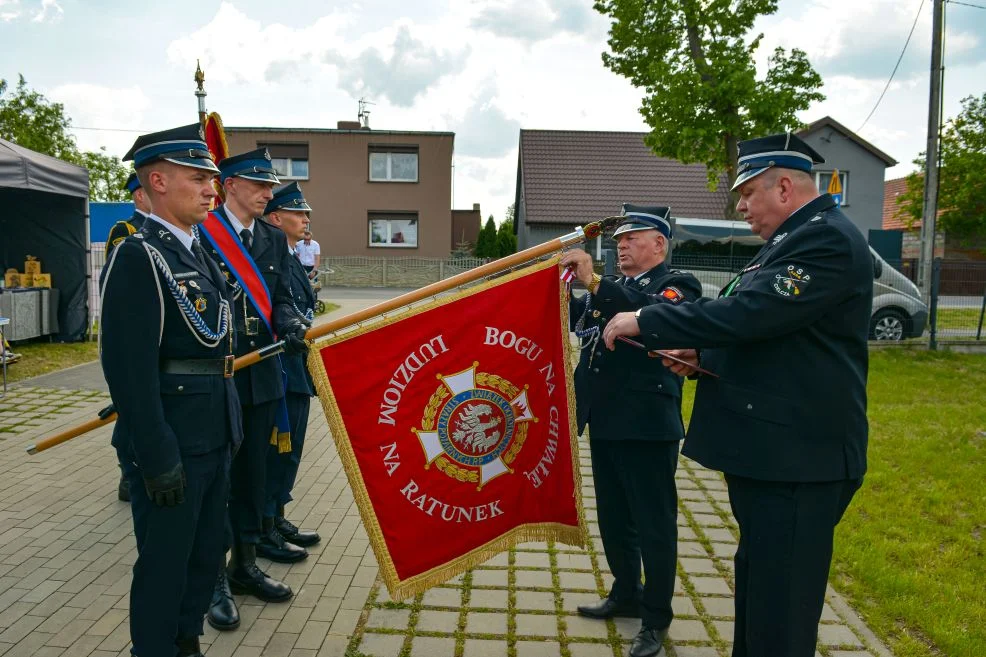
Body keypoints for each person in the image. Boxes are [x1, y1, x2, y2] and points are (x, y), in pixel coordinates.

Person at [601, 133, 872, 657]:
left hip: (800, 460)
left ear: (786, 187)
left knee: (780, 615)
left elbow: (754, 314)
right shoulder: (788, 242)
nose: (741, 207)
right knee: (759, 594)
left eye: (747, 194)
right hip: (776, 456)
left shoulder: (826, 240)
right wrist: (702, 357)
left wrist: (649, 318)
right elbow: (771, 334)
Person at [101, 123, 241, 657]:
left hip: (214, 432)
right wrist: (156, 455)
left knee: (206, 555)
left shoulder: (198, 250)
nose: (212, 188)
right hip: (173, 443)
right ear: (157, 180)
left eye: (212, 178)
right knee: (165, 565)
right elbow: (128, 370)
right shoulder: (140, 255)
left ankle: (186, 643)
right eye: (198, 177)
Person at [559, 205, 702, 657]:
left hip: (646, 425)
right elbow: (583, 316)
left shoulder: (677, 285)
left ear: (658, 244)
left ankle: (655, 617)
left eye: (631, 238)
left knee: (653, 524)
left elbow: (652, 317)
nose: (620, 246)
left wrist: (595, 281)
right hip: (606, 418)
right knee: (615, 517)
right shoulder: (618, 288)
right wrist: (557, 289)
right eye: (618, 240)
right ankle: (625, 593)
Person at [203, 148, 310, 631]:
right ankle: (211, 580)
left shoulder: (270, 236)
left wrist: (289, 323)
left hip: (263, 374)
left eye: (271, 185)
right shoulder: (203, 232)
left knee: (252, 474)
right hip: (219, 375)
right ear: (229, 186)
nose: (269, 193)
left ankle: (243, 565)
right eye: (259, 184)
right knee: (216, 480)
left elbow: (283, 297)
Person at [261, 182, 321, 550]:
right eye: (298, 213)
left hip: (297, 370)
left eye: (305, 212)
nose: (305, 219)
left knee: (291, 451)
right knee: (276, 451)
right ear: (275, 217)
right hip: (280, 372)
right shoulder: (270, 261)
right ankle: (265, 524)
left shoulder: (292, 258)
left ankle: (278, 516)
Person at [105, 170, 152, 503]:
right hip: (135, 334)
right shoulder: (127, 231)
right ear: (139, 195)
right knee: (129, 409)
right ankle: (127, 469)